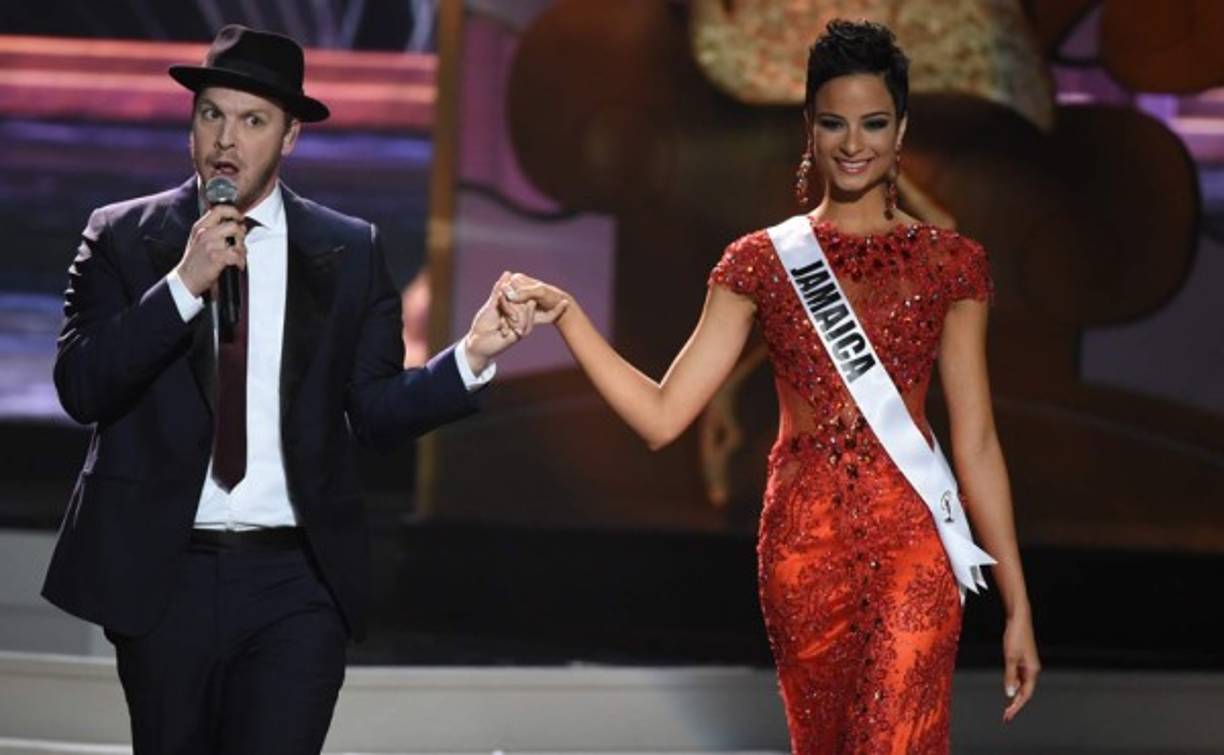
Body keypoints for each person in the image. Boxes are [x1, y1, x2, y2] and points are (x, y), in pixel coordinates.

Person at [500, 19, 1039, 753]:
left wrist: (1017, 601)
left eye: (874, 123)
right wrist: (569, 318)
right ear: (809, 130)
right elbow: (663, 416)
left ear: (902, 128)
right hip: (802, 548)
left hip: (914, 545)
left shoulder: (952, 264)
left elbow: (975, 440)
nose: (854, 143)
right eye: (835, 123)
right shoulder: (761, 261)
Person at [41, 25, 543, 754]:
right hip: (164, 575)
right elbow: (82, 385)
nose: (225, 140)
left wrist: (469, 356)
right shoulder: (122, 237)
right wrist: (183, 284)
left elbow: (373, 410)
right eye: (212, 113)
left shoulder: (347, 249)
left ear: (291, 136)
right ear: (191, 122)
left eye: (252, 121)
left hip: (295, 581)